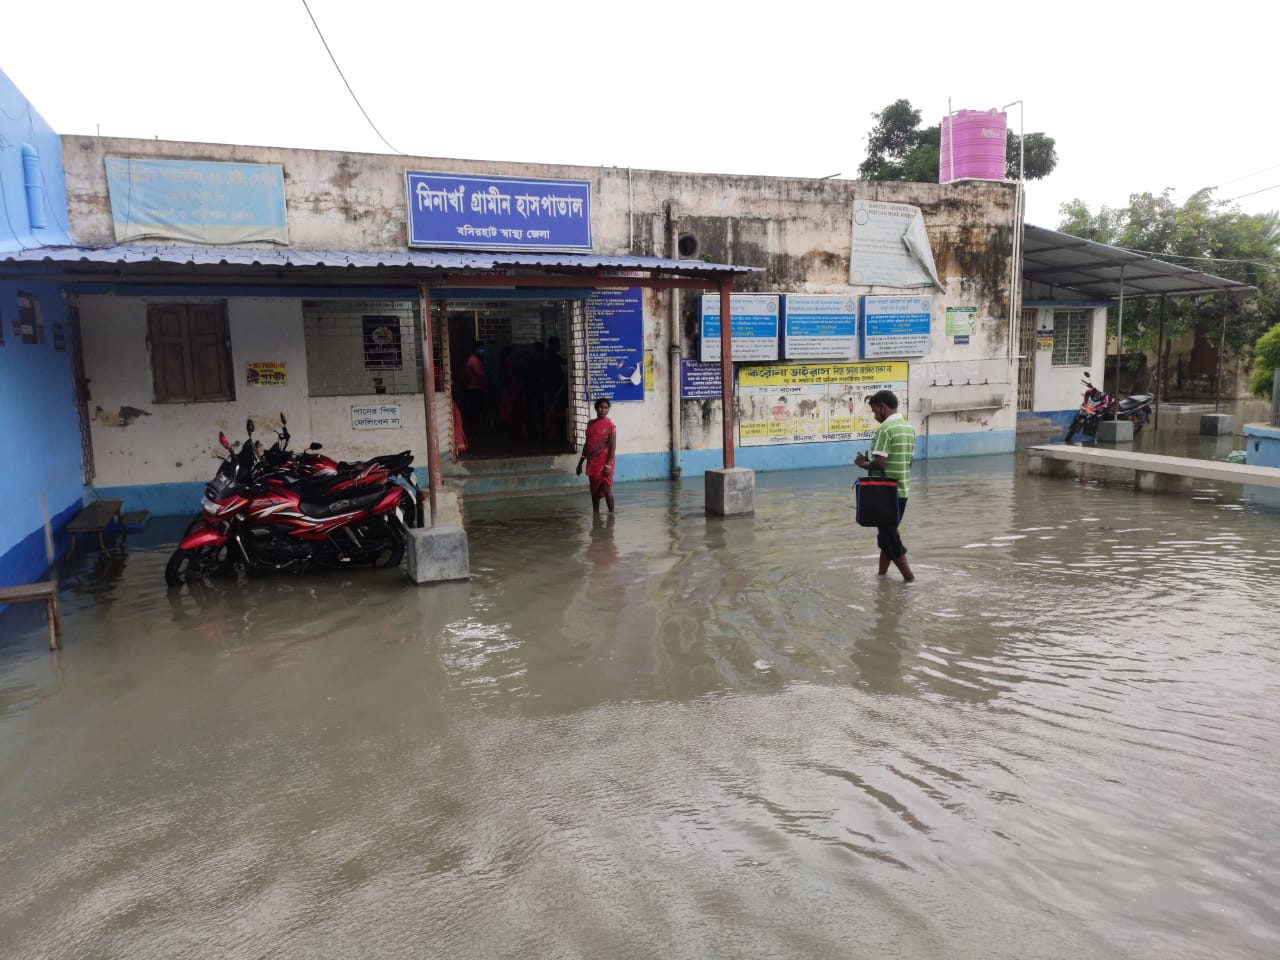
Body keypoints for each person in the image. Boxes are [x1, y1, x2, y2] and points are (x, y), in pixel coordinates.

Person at [854, 389, 916, 582]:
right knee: (886, 535)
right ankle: (882, 576)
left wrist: (864, 463)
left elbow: (880, 463)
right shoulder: (908, 428)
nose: (875, 416)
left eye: (874, 411)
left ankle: (910, 580)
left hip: (885, 494)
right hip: (902, 491)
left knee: (890, 538)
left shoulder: (886, 429)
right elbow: (908, 462)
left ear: (883, 407)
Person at [576, 397, 616, 513]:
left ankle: (612, 516)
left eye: (606, 408)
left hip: (605, 463)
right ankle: (596, 516)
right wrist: (580, 462)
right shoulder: (590, 424)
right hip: (592, 462)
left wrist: (608, 466)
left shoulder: (610, 426)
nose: (603, 410)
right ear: (596, 408)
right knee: (594, 491)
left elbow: (613, 447)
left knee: (606, 489)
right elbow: (587, 444)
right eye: (601, 407)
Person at [463, 342, 487, 434]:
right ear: (476, 349)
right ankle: (475, 429)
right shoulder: (474, 360)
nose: (482, 351)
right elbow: (480, 374)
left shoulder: (474, 359)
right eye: (481, 348)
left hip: (476, 387)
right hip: (476, 388)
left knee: (475, 408)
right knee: (476, 409)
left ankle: (475, 428)